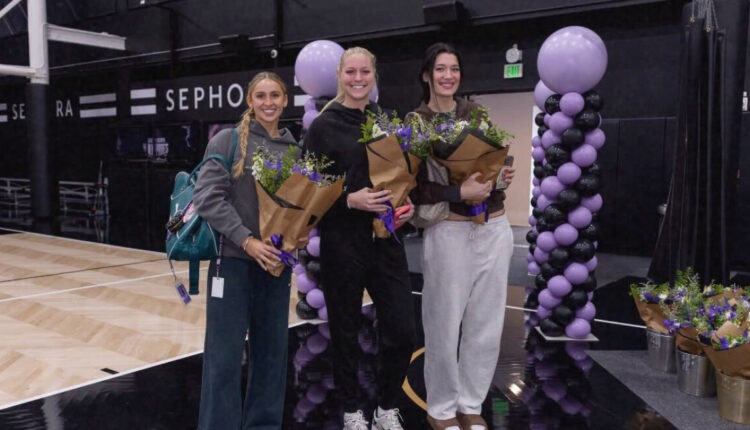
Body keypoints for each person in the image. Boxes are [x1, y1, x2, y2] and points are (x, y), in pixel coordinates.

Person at [304, 46, 417, 430]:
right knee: (345, 333)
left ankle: (386, 407)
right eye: (350, 72)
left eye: (364, 72)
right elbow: (307, 192)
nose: (357, 79)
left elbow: (400, 178)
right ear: (340, 75)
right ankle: (352, 410)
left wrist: (406, 206)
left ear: (374, 75)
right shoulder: (323, 126)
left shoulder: (387, 121)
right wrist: (349, 200)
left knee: (402, 331)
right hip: (342, 242)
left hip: (386, 241)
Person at [410, 42, 516, 430]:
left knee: (485, 325)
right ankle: (440, 409)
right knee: (443, 324)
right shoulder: (416, 122)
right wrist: (459, 192)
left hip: (495, 227)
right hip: (449, 231)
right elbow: (413, 187)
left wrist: (500, 176)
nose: (448, 76)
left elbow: (490, 165)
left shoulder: (476, 113)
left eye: (454, 69)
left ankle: (471, 404)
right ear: (427, 75)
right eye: (440, 69)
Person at [193, 71, 301, 429]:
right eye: (261, 96)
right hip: (232, 263)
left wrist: (297, 236)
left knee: (271, 356)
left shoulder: (294, 150)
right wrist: (246, 240)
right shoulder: (226, 141)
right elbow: (207, 198)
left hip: (275, 266)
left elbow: (298, 209)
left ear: (285, 100)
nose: (268, 103)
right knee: (224, 359)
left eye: (275, 95)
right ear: (250, 101)